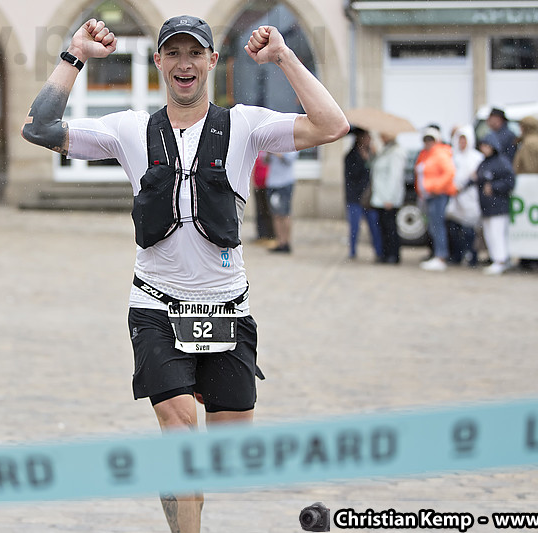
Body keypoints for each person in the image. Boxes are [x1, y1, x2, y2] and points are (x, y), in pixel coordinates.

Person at [21, 16, 349, 533]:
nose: (184, 64)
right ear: (158, 62)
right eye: (172, 53)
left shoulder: (245, 126)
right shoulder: (130, 129)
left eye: (194, 53)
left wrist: (284, 57)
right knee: (179, 434)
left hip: (226, 308)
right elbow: (39, 128)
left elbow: (332, 126)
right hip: (157, 306)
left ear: (212, 61)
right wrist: (75, 54)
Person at [474, 134, 516, 275]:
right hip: (485, 205)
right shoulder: (483, 162)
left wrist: (494, 186)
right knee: (489, 234)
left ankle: (501, 260)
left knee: (497, 233)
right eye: (482, 145)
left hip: (498, 205)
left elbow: (510, 181)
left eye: (487, 146)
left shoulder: (502, 162)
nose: (484, 148)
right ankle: (496, 259)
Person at [416, 127, 457, 271]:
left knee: (438, 226)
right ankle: (437, 254)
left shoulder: (440, 153)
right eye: (426, 139)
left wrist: (436, 187)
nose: (428, 142)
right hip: (428, 196)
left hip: (437, 195)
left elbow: (449, 172)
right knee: (432, 226)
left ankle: (441, 256)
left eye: (431, 139)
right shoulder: (425, 154)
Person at [512, 115, 538, 273]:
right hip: (528, 188)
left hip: (530, 189)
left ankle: (532, 259)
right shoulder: (530, 140)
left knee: (531, 224)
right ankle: (527, 258)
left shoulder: (531, 142)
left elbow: (531, 167)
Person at [446, 125, 483, 266]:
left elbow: (476, 175)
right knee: (454, 227)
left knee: (470, 229)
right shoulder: (453, 156)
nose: (462, 143)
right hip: (454, 195)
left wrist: (463, 185)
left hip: (469, 196)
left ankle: (471, 256)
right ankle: (457, 255)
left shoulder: (476, 157)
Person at [344, 128, 383, 261]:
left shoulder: (372, 154)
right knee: (355, 227)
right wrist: (364, 161)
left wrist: (372, 158)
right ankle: (353, 251)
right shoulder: (351, 156)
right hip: (355, 197)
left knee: (374, 226)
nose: (369, 140)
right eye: (367, 137)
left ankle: (378, 251)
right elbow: (352, 176)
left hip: (369, 197)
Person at [369, 131, 406, 264]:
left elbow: (394, 177)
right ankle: (385, 253)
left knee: (390, 228)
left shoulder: (396, 152)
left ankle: (393, 255)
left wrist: (390, 198)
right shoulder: (384, 151)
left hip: (388, 198)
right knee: (383, 227)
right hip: (379, 197)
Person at [265, 151, 299, 253]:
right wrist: (268, 154)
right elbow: (264, 161)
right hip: (272, 182)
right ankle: (280, 242)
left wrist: (276, 152)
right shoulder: (270, 143)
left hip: (285, 183)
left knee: (284, 214)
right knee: (275, 214)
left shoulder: (290, 145)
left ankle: (286, 243)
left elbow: (290, 159)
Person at [251, 151, 275, 242]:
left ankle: (270, 234)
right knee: (260, 210)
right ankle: (261, 234)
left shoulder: (269, 151)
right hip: (258, 184)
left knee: (268, 210)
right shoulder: (257, 151)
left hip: (268, 184)